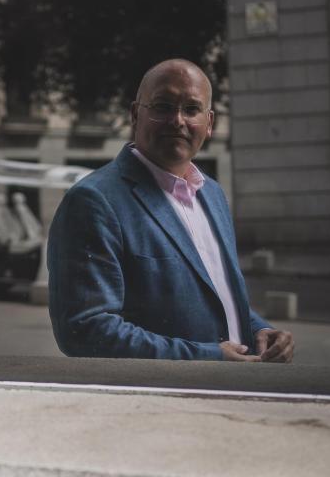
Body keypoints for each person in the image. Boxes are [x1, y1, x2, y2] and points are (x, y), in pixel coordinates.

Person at [47, 59, 294, 362]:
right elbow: (85, 330)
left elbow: (212, 295)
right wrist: (206, 358)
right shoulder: (93, 201)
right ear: (136, 115)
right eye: (163, 107)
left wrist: (258, 329)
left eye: (191, 109)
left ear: (210, 122)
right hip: (160, 400)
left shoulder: (212, 194)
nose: (178, 120)